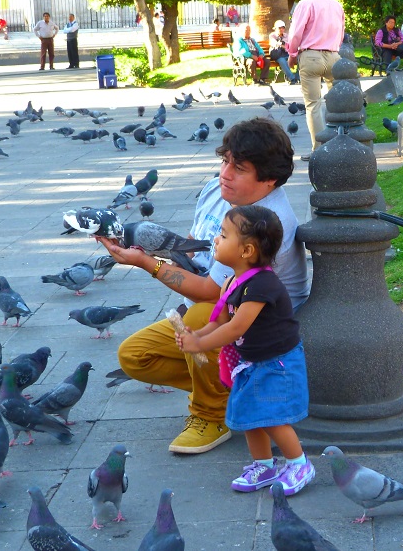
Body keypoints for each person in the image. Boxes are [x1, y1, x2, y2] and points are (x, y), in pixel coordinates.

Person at [96, 117, 309, 455]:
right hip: (223, 302)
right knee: (134, 356)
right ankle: (232, 393)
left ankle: (211, 416)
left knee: (200, 317)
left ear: (268, 180)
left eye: (239, 168)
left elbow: (213, 292)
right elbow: (194, 248)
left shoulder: (268, 220)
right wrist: (140, 245)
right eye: (225, 160)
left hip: (262, 324)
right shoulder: (216, 190)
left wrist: (145, 263)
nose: (225, 173)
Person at [176, 205, 313, 496]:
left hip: (278, 364)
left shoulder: (263, 285)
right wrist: (196, 334)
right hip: (253, 362)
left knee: (274, 417)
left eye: (224, 235)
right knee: (249, 415)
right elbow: (220, 320)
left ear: (247, 250)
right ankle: (264, 464)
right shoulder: (232, 280)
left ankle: (299, 464)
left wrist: (200, 345)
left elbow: (236, 327)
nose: (215, 239)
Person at [286, 0, 344, 160]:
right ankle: (341, 145)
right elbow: (340, 34)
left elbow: (296, 33)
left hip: (311, 56)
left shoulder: (306, 4)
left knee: (313, 105)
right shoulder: (337, 5)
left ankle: (320, 150)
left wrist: (292, 55)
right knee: (338, 104)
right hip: (334, 56)